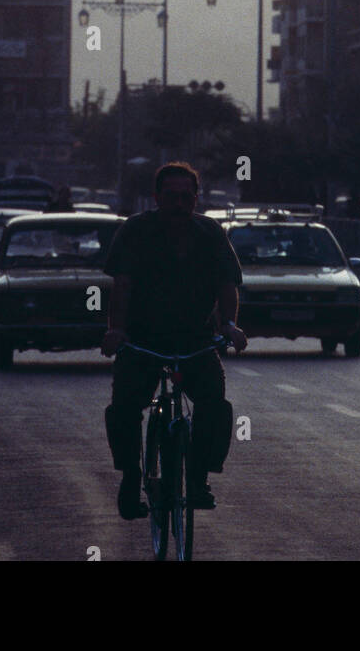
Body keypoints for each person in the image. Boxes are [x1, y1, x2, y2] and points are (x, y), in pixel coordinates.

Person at [102, 161, 247, 520]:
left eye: (187, 197)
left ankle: (198, 480)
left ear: (196, 198)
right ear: (157, 198)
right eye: (171, 197)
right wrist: (116, 330)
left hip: (195, 340)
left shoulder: (210, 233)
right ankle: (131, 475)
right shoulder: (135, 231)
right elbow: (122, 286)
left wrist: (229, 325)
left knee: (214, 401)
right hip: (142, 339)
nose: (180, 204)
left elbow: (227, 285)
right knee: (124, 406)